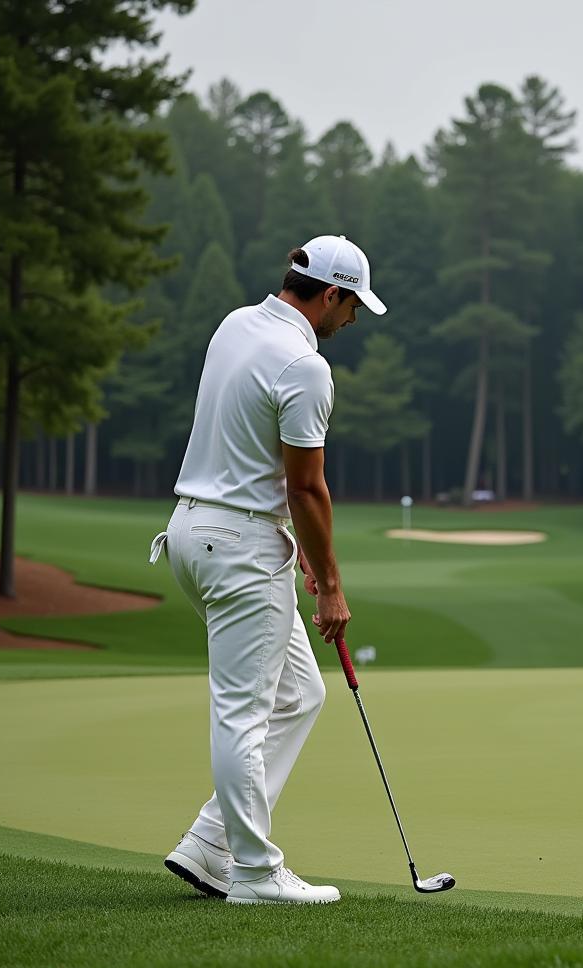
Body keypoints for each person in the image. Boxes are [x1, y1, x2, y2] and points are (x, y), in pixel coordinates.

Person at [148, 235, 386, 906]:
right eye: (352, 306)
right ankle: (254, 873)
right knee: (244, 712)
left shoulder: (235, 325)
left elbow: (253, 452)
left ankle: (208, 843)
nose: (353, 322)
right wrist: (332, 585)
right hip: (242, 548)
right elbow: (307, 488)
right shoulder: (306, 367)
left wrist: (305, 550)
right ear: (331, 294)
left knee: (300, 694)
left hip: (195, 531)